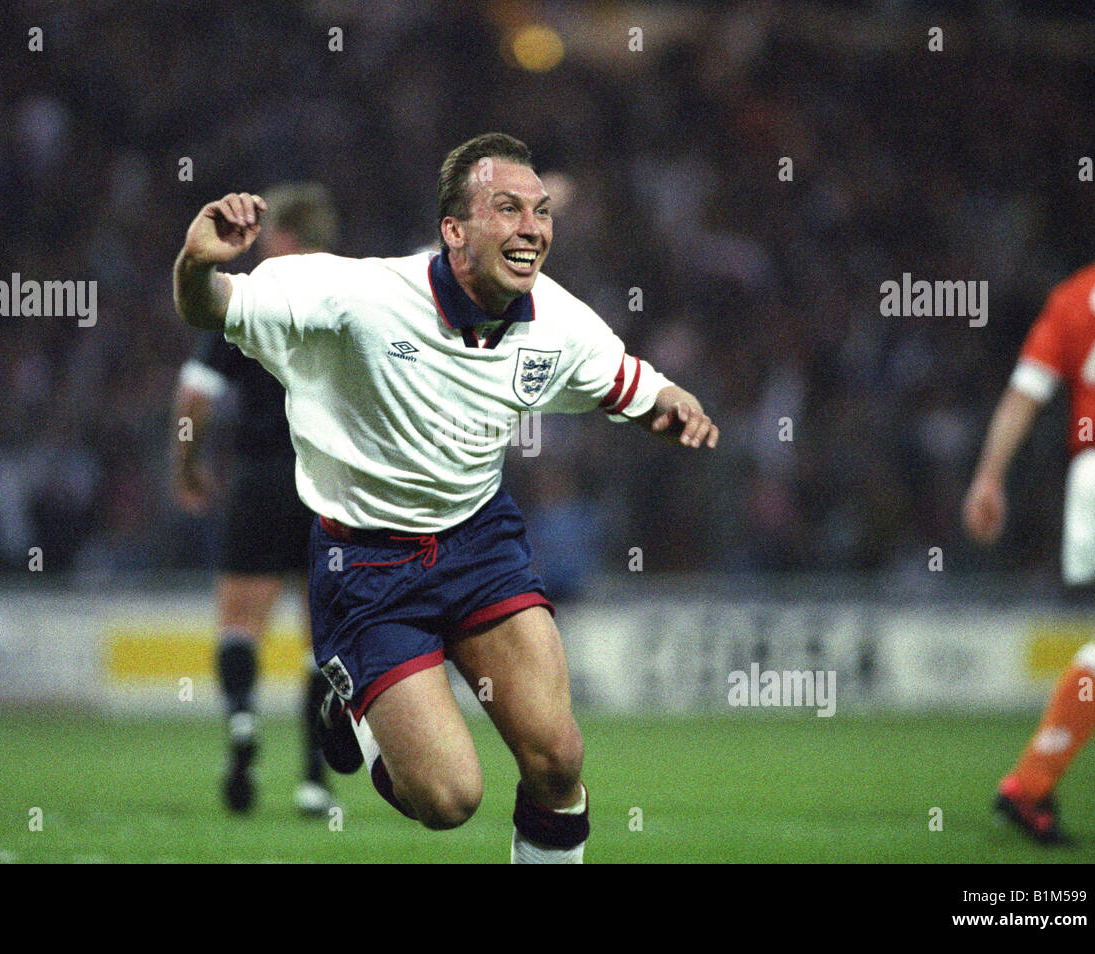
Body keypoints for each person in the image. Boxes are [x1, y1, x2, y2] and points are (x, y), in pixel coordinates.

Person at [173, 133, 719, 863]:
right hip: (367, 566)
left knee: (557, 757)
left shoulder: (557, 320)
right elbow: (212, 308)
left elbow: (630, 384)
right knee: (449, 800)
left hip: (479, 545)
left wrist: (675, 405)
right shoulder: (356, 296)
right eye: (508, 209)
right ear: (455, 231)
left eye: (542, 212)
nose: (533, 228)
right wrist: (196, 262)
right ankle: (351, 711)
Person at [172, 183, 341, 816]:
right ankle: (313, 777)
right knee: (322, 637)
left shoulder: (252, 297)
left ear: (284, 236)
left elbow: (195, 397)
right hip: (330, 483)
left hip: (259, 478)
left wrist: (186, 466)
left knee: (239, 621)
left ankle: (243, 725)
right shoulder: (355, 296)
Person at [963, 238, 1095, 845]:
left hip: (1091, 473)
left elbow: (1026, 392)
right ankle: (1030, 783)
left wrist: (989, 476)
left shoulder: (1077, 291)